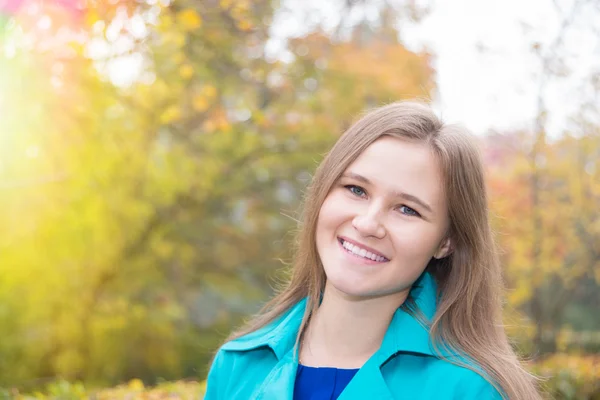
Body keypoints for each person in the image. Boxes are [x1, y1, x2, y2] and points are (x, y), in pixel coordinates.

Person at [204, 101, 541, 400]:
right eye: (356, 189)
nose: (367, 224)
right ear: (323, 193)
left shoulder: (472, 390)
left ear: (445, 242)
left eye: (407, 209)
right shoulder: (237, 366)